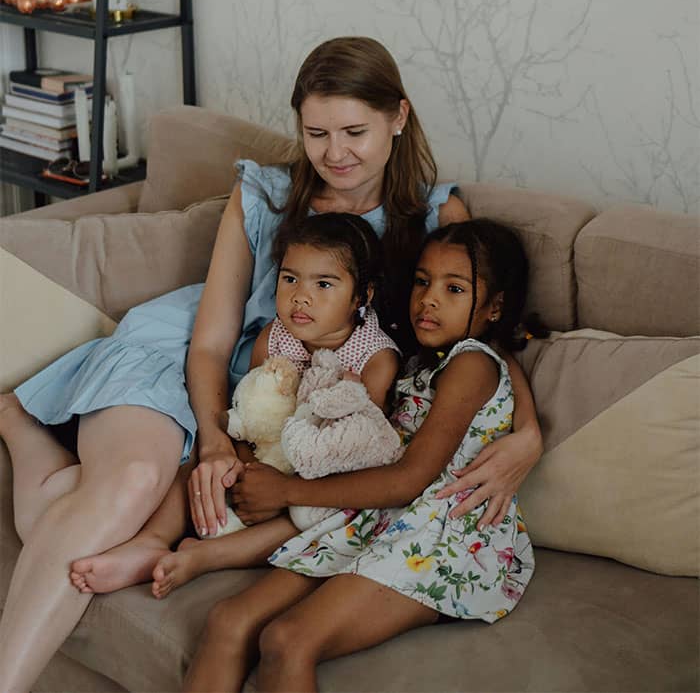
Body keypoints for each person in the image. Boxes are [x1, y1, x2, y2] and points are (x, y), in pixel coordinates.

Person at [0, 36, 541, 693]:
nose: (335, 154)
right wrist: (213, 439)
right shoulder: (263, 192)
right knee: (132, 482)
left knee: (70, 519)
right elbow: (210, 341)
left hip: (278, 398)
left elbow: (481, 337)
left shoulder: (435, 213)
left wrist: (529, 434)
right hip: (184, 355)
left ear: (398, 117)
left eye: (355, 132)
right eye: (316, 133)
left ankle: (24, 431)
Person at [183, 218, 536, 693]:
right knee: (228, 620)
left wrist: (287, 490)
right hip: (375, 518)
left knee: (286, 640)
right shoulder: (413, 355)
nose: (429, 299)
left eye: (454, 289)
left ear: (495, 306)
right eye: (422, 282)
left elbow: (410, 479)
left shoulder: (472, 363)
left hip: (443, 535)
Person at [151, 211, 402, 599]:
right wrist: (246, 472)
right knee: (195, 461)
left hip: (318, 482)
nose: (300, 296)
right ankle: (154, 538)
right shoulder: (275, 336)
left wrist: (282, 491)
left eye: (323, 284)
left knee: (308, 519)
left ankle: (204, 557)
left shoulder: (376, 359)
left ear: (362, 296)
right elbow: (248, 416)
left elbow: (361, 448)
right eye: (290, 279)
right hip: (264, 461)